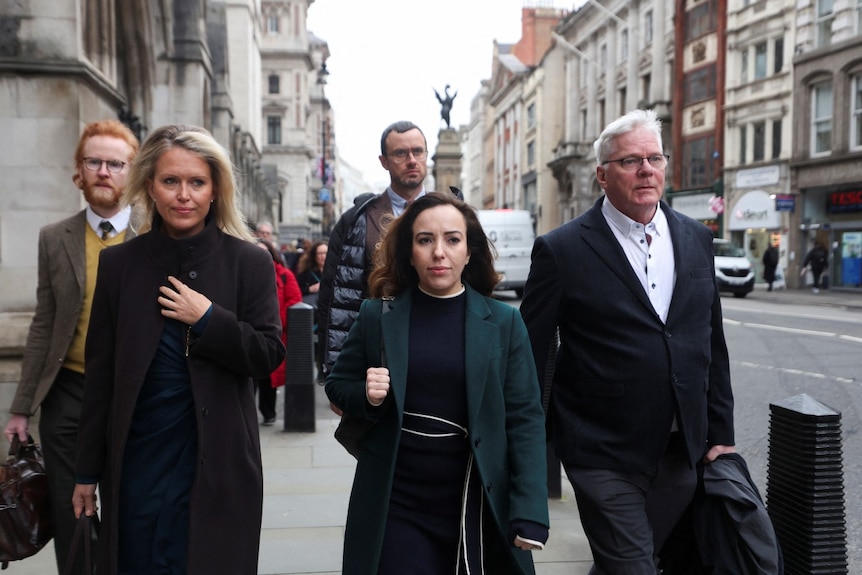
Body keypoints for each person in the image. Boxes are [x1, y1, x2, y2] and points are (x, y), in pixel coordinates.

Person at [520, 109, 736, 574]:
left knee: (631, 561)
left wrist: (722, 435)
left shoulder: (696, 238)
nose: (646, 170)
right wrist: (531, 451)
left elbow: (710, 342)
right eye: (630, 160)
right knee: (635, 566)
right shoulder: (562, 250)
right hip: (602, 449)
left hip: (681, 449)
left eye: (654, 158)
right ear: (602, 175)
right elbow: (532, 355)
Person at [71, 124, 285, 574]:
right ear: (150, 186)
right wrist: (87, 472)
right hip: (139, 464)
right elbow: (101, 378)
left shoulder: (249, 261)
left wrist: (209, 319)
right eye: (171, 181)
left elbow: (268, 354)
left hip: (219, 463)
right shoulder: (119, 264)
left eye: (196, 182)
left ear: (214, 191)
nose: (183, 195)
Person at [325, 192, 549, 574]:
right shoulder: (377, 316)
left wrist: (529, 509)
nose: (439, 252)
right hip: (397, 501)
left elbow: (525, 418)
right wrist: (365, 393)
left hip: (475, 496)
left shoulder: (503, 323)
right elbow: (338, 385)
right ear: (409, 253)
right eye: (425, 240)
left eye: (452, 239)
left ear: (470, 251)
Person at [3, 119, 139, 575]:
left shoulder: (155, 238)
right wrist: (22, 408)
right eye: (93, 162)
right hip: (67, 395)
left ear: (132, 172)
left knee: (126, 503)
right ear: (77, 173)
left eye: (115, 163)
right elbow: (43, 323)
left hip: (133, 396)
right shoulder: (54, 237)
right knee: (70, 509)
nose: (104, 171)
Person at [317, 120, 462, 378]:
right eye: (400, 153)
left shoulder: (454, 214)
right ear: (384, 161)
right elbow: (339, 299)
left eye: (418, 152)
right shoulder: (357, 220)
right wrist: (336, 374)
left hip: (443, 350)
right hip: (378, 359)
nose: (411, 160)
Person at [256, 238, 302, 424]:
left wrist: (278, 321)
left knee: (268, 378)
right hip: (246, 331)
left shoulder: (284, 275)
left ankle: (268, 413)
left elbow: (294, 300)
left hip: (272, 334)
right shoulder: (240, 273)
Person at [295, 240, 327, 307]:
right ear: (314, 256)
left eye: (325, 253)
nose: (323, 256)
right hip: (313, 307)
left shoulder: (335, 271)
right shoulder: (306, 272)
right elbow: (296, 290)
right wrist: (310, 289)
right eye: (320, 253)